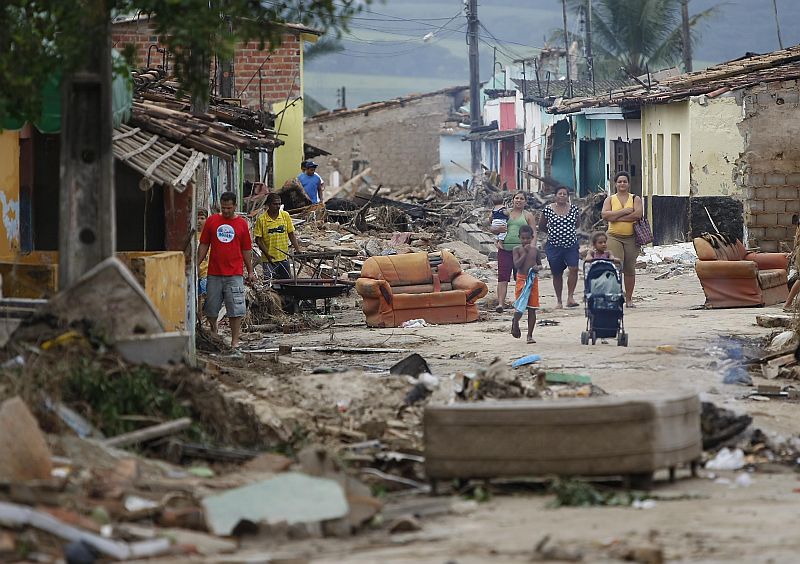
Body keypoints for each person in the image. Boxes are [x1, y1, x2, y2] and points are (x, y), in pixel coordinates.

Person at [198, 191, 255, 349]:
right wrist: (197, 263)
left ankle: (235, 340)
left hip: (235, 273)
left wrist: (249, 271)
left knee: (235, 309)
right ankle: (214, 330)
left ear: (235, 206)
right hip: (214, 273)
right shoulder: (212, 221)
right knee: (210, 307)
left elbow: (246, 249)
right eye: (223, 208)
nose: (226, 211)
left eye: (229, 208)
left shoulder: (242, 224)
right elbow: (204, 244)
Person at [489, 191, 537, 313]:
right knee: (502, 277)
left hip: (522, 251)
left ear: (525, 201)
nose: (519, 200)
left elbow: (534, 233)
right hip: (505, 249)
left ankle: (522, 302)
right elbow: (492, 225)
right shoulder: (505, 212)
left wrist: (531, 248)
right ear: (512, 200)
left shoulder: (528, 216)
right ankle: (500, 304)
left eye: (521, 198)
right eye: (516, 198)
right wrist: (497, 230)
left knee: (521, 277)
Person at [601, 171, 643, 307]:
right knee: (616, 266)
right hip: (613, 237)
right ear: (615, 184)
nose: (622, 184)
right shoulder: (610, 199)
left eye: (625, 181)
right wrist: (624, 212)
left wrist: (616, 217)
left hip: (632, 238)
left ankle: (629, 299)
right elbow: (605, 216)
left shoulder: (635, 198)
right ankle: (616, 296)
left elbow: (638, 215)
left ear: (629, 184)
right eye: (619, 181)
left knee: (630, 268)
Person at [539, 186, 580, 308]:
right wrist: (553, 232)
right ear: (555, 195)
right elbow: (542, 225)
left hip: (571, 245)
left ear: (568, 196)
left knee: (573, 268)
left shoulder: (574, 209)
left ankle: (570, 297)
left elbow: (577, 224)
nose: (562, 196)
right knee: (557, 273)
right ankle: (559, 301)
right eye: (559, 194)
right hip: (554, 246)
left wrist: (567, 232)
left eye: (564, 194)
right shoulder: (548, 209)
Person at [254, 192, 302, 280]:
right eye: (275, 204)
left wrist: (298, 249)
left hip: (283, 258)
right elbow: (258, 240)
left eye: (279, 204)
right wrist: (267, 254)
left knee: (287, 282)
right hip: (268, 260)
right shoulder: (261, 219)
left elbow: (291, 234)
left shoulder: (285, 216)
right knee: (269, 284)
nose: (278, 206)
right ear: (268, 204)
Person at [511, 225, 541, 344]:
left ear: (532, 238)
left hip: (532, 280)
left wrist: (537, 268)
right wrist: (524, 253)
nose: (525, 241)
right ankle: (515, 322)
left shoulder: (535, 250)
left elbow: (540, 264)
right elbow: (517, 265)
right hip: (521, 280)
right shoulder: (516, 250)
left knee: (532, 308)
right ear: (519, 238)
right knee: (520, 306)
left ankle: (529, 335)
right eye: (523, 238)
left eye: (527, 238)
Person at [197, 208, 210, 301]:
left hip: (206, 272)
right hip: (195, 272)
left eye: (202, 218)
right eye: (197, 218)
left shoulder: (210, 234)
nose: (199, 221)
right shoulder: (192, 235)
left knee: (205, 298)